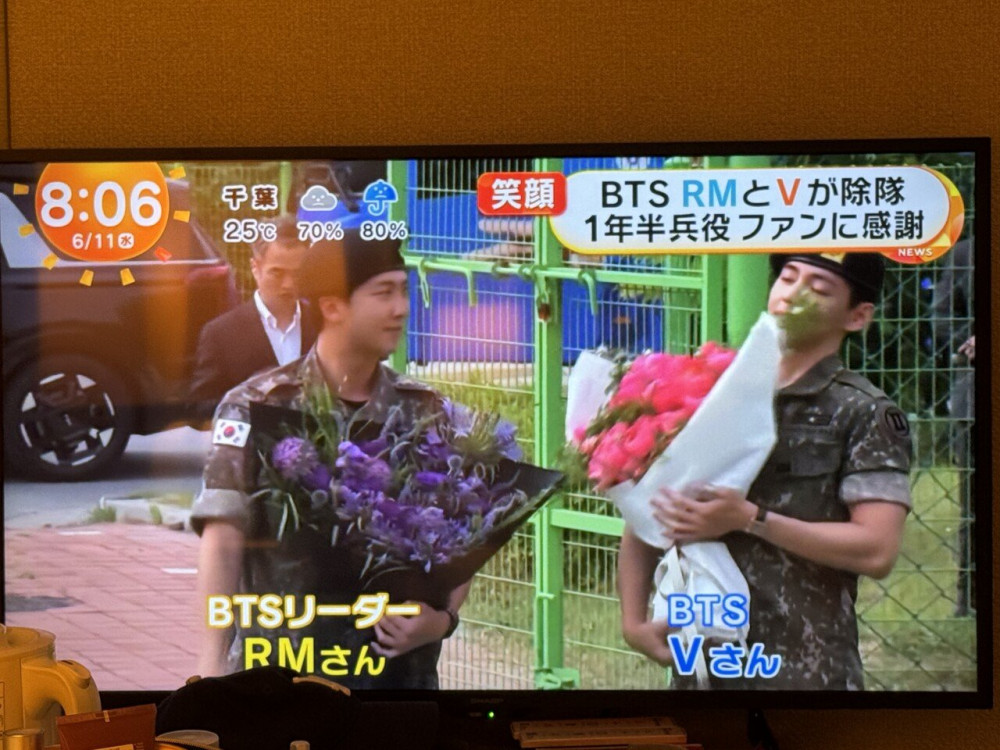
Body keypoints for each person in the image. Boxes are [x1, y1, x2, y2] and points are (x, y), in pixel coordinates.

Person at [617, 252, 912, 690]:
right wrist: (633, 621)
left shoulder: (863, 412)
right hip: (704, 662)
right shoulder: (708, 388)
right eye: (788, 278)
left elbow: (876, 549)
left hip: (804, 671)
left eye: (819, 288)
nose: (794, 293)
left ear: (857, 316)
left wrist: (750, 519)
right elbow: (650, 507)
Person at [191, 229, 469, 688]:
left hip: (395, 688)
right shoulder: (257, 406)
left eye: (403, 291)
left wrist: (442, 620)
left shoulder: (425, 412)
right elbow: (223, 538)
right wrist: (210, 662)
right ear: (334, 306)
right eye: (383, 293)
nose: (401, 308)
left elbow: (461, 536)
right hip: (279, 681)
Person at [189, 215, 318, 419]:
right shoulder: (220, 334)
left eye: (297, 273)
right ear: (255, 268)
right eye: (277, 273)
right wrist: (250, 404)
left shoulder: (323, 325)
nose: (289, 284)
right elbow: (200, 408)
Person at [930, 238, 976, 615]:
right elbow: (941, 318)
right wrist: (972, 339)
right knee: (974, 507)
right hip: (974, 397)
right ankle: (970, 600)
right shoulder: (965, 254)